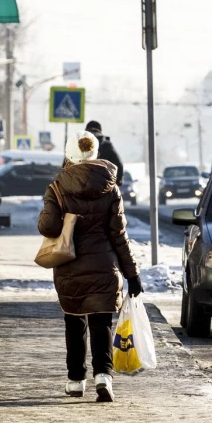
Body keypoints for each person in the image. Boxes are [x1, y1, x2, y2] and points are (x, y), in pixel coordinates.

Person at [38, 130, 141, 403]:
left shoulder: (57, 188)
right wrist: (133, 274)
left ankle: (75, 381)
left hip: (69, 266)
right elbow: (119, 236)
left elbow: (47, 227)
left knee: (74, 321)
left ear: (68, 153)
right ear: (95, 154)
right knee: (101, 322)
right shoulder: (111, 187)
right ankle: (103, 377)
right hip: (104, 265)